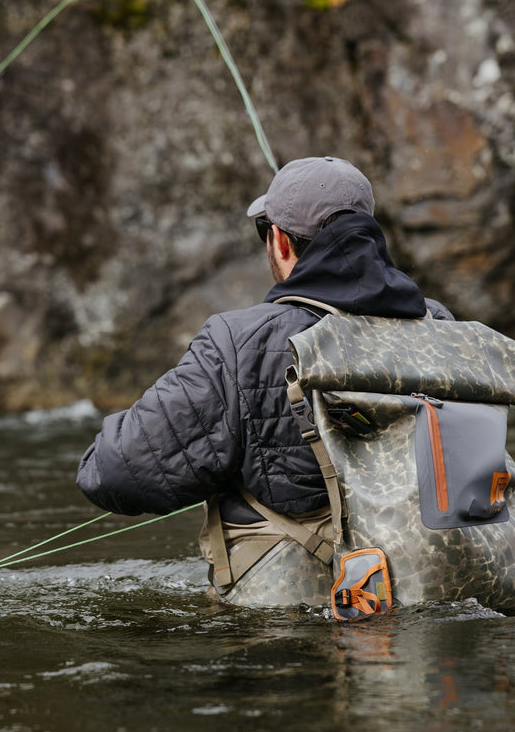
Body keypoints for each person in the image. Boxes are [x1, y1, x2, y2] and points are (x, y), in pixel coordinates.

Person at [75, 156, 452, 598]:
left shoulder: (237, 343)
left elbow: (111, 472)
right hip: (434, 587)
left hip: (290, 631)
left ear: (278, 241)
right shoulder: (440, 325)